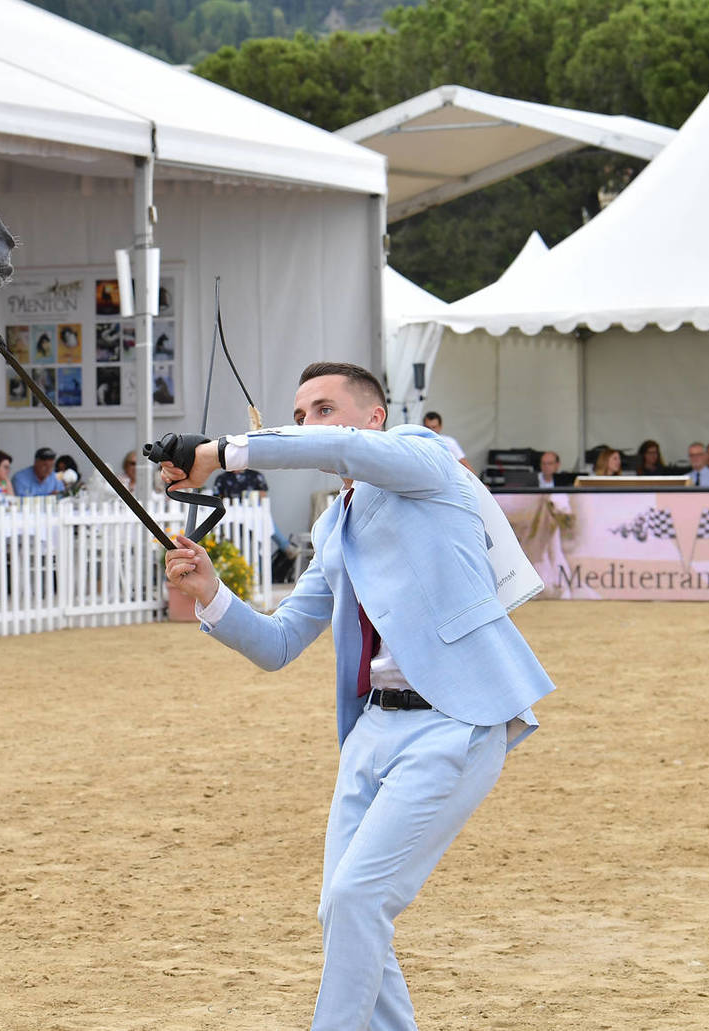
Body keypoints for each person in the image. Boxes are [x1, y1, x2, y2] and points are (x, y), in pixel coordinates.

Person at [160, 360, 553, 1031]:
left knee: (357, 894)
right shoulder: (334, 528)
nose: (309, 422)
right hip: (371, 731)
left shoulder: (426, 459)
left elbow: (342, 451)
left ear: (375, 417)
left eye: (322, 407)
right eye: (301, 409)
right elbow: (281, 642)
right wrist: (212, 594)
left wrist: (224, 452)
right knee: (344, 910)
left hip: (453, 723)